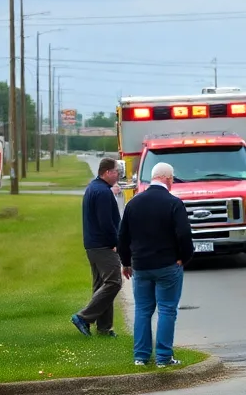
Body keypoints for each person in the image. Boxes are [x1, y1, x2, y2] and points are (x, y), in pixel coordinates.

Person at [116, 162, 194, 368]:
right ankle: (163, 357)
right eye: (172, 179)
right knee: (167, 310)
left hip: (141, 265)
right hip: (168, 264)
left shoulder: (133, 203)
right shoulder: (173, 203)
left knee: (142, 310)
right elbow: (184, 234)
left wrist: (126, 262)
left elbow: (122, 236)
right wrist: (184, 257)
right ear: (167, 178)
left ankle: (140, 357)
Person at [71, 158, 123, 337]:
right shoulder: (102, 192)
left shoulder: (94, 188)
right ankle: (83, 317)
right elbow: (106, 223)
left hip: (93, 245)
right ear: (107, 172)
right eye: (116, 171)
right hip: (102, 246)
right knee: (114, 282)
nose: (118, 174)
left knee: (102, 285)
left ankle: (104, 328)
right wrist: (115, 243)